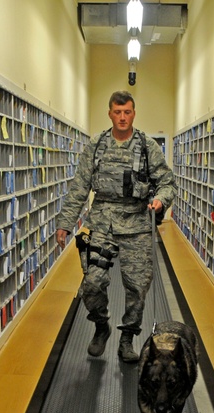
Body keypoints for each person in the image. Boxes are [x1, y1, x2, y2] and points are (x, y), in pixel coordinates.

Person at [56, 91, 175, 363]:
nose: (123, 117)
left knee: (137, 288)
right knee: (92, 283)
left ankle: (127, 339)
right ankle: (101, 326)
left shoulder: (147, 146)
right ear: (109, 113)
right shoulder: (96, 145)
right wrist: (65, 223)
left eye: (128, 112)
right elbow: (79, 187)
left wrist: (160, 199)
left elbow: (167, 182)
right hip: (102, 222)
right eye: (117, 112)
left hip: (137, 222)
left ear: (134, 113)